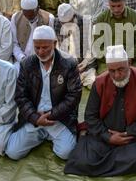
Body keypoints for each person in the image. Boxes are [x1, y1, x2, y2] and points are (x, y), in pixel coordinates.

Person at [64, 44, 136, 176]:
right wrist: (108, 137)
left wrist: (127, 134)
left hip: (130, 138)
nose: (117, 75)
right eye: (112, 71)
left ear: (129, 63)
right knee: (79, 161)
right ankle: (112, 165)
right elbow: (90, 116)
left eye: (121, 69)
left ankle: (96, 168)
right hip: (103, 135)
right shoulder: (100, 81)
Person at [5, 26, 82, 160]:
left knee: (66, 153)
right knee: (12, 152)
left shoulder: (68, 63)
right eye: (37, 48)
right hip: (34, 119)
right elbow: (21, 96)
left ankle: (49, 135)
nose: (41, 52)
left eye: (45, 47)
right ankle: (41, 134)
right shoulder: (26, 64)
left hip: (59, 119)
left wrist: (52, 114)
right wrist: (35, 118)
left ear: (55, 44)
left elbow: (74, 96)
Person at [93, 0, 136, 73]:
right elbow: (97, 45)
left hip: (131, 59)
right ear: (108, 3)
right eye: (112, 6)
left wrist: (129, 56)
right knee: (106, 79)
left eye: (119, 6)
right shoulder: (101, 18)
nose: (116, 10)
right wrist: (111, 58)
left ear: (125, 2)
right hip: (107, 60)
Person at [54, 4, 96, 88]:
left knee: (92, 84)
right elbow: (56, 50)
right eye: (63, 23)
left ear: (74, 17)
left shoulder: (86, 22)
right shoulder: (55, 24)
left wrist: (85, 62)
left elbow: (92, 47)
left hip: (86, 65)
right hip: (65, 67)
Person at [11, 0, 54, 71]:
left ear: (37, 9)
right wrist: (22, 58)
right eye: (25, 14)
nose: (28, 17)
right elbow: (14, 44)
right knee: (14, 71)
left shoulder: (49, 18)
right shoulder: (16, 18)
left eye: (31, 15)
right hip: (22, 59)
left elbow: (52, 43)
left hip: (43, 60)